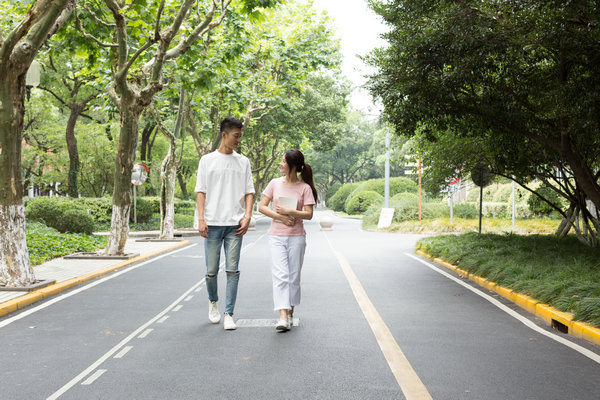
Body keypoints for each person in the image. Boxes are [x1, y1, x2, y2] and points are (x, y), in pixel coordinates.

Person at [195, 117, 255, 330]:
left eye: (240, 136)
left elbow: (250, 192)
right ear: (224, 135)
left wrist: (247, 216)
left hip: (234, 225)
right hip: (211, 224)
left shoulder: (243, 162)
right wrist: (201, 219)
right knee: (211, 271)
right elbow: (200, 192)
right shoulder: (207, 160)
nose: (239, 140)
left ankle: (229, 313)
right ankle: (213, 302)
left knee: (232, 270)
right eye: (236, 136)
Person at [258, 149, 317, 332]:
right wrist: (280, 216)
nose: (280, 165)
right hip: (276, 235)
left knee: (293, 277)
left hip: (297, 237)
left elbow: (309, 214)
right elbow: (261, 206)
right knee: (281, 276)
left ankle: (290, 312)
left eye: (283, 162)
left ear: (292, 166)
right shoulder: (275, 183)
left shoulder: (304, 188)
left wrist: (290, 212)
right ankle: (283, 316)